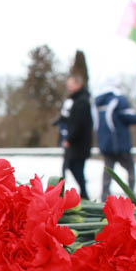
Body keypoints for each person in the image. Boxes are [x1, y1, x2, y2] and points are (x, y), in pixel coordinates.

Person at [93, 84, 136, 199]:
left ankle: (104, 195)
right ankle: (131, 196)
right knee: (130, 169)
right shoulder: (118, 100)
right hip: (121, 144)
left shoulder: (98, 102)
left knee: (108, 171)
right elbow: (129, 116)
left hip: (105, 144)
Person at [59, 52, 93, 200]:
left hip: (79, 143)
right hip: (76, 142)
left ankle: (84, 194)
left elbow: (79, 123)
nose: (69, 88)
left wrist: (70, 138)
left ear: (78, 84)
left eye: (71, 85)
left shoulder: (82, 101)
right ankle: (83, 193)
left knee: (75, 167)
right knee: (73, 167)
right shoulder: (75, 100)